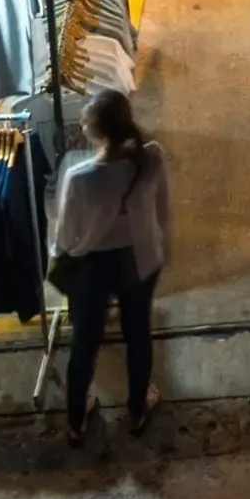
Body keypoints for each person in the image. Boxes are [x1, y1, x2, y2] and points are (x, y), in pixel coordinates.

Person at [51, 91, 170, 444]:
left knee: (86, 341)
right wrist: (161, 247)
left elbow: (66, 234)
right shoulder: (151, 159)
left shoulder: (81, 176)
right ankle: (137, 408)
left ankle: (76, 417)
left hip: (93, 265)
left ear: (96, 132)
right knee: (138, 334)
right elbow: (162, 212)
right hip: (140, 257)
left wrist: (61, 257)